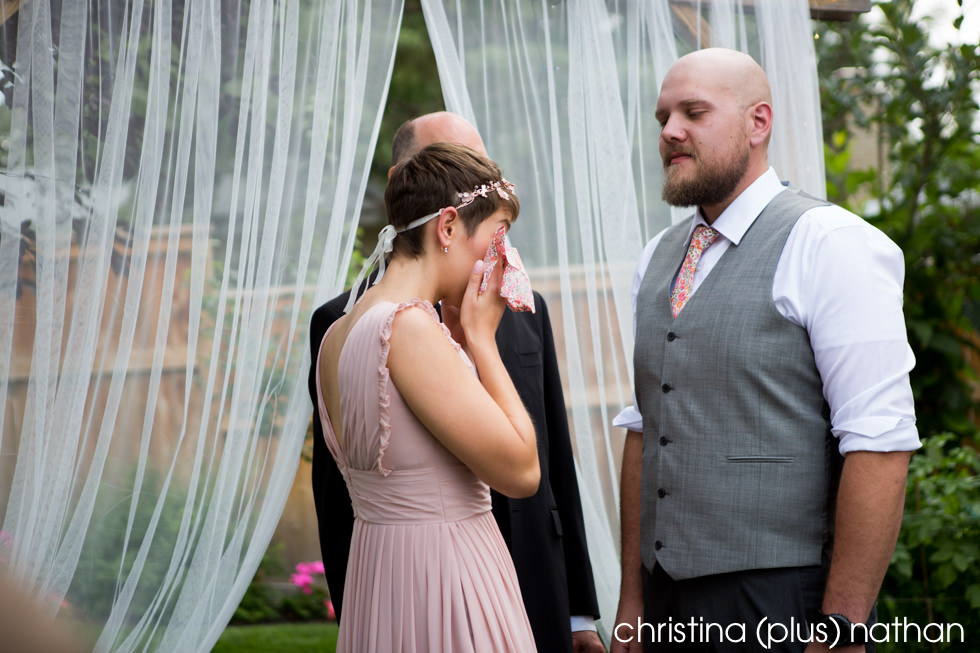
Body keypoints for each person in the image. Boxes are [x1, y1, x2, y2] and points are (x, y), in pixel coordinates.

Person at [610, 48, 919, 653]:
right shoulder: (656, 257)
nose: (670, 131)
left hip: (779, 600)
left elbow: (880, 443)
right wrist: (632, 599)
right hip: (664, 601)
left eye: (694, 112)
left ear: (758, 123)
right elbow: (647, 427)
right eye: (663, 117)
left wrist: (842, 631)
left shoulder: (831, 243)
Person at [308, 112, 604, 652]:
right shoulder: (409, 326)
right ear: (447, 227)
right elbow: (520, 471)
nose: (501, 261)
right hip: (447, 580)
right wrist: (482, 340)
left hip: (385, 582)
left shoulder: (341, 332)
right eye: (496, 239)